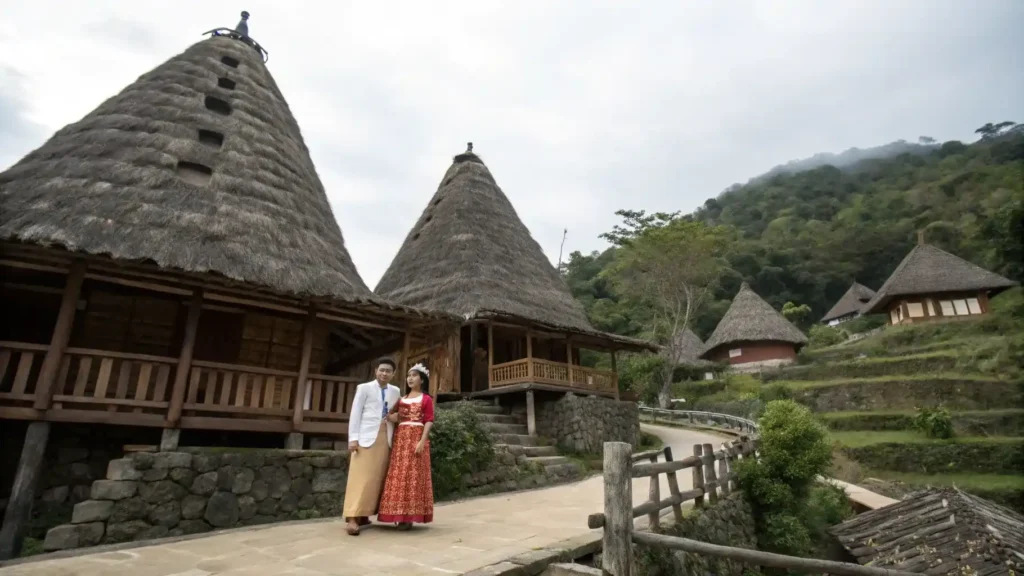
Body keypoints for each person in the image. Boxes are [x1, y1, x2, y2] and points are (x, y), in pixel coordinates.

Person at [343, 357, 402, 536]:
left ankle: (365, 513)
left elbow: (400, 412)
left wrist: (396, 418)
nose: (384, 373)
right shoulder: (364, 388)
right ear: (376, 370)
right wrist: (353, 438)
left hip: (386, 436)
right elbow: (355, 413)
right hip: (365, 436)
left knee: (377, 477)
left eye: (388, 371)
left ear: (393, 374)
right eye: (381, 370)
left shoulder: (395, 391)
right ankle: (352, 517)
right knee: (359, 477)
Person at [376, 362, 435, 529]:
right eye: (408, 375)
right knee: (399, 476)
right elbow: (391, 414)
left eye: (414, 375)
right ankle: (397, 514)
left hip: (416, 437)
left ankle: (408, 517)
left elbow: (429, 420)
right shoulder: (401, 399)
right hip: (401, 440)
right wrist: (393, 417)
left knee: (414, 476)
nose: (410, 378)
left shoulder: (426, 399)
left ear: (421, 380)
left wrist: (422, 441)